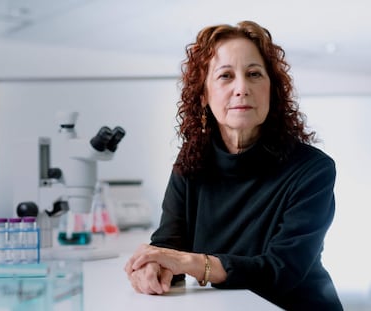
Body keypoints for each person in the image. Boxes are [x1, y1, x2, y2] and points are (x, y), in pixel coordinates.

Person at [124, 20, 343, 310]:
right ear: (204, 95)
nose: (242, 88)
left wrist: (192, 263)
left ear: (272, 91)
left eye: (254, 74)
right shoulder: (191, 162)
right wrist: (152, 268)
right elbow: (169, 245)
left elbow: (282, 269)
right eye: (225, 76)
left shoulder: (313, 170)